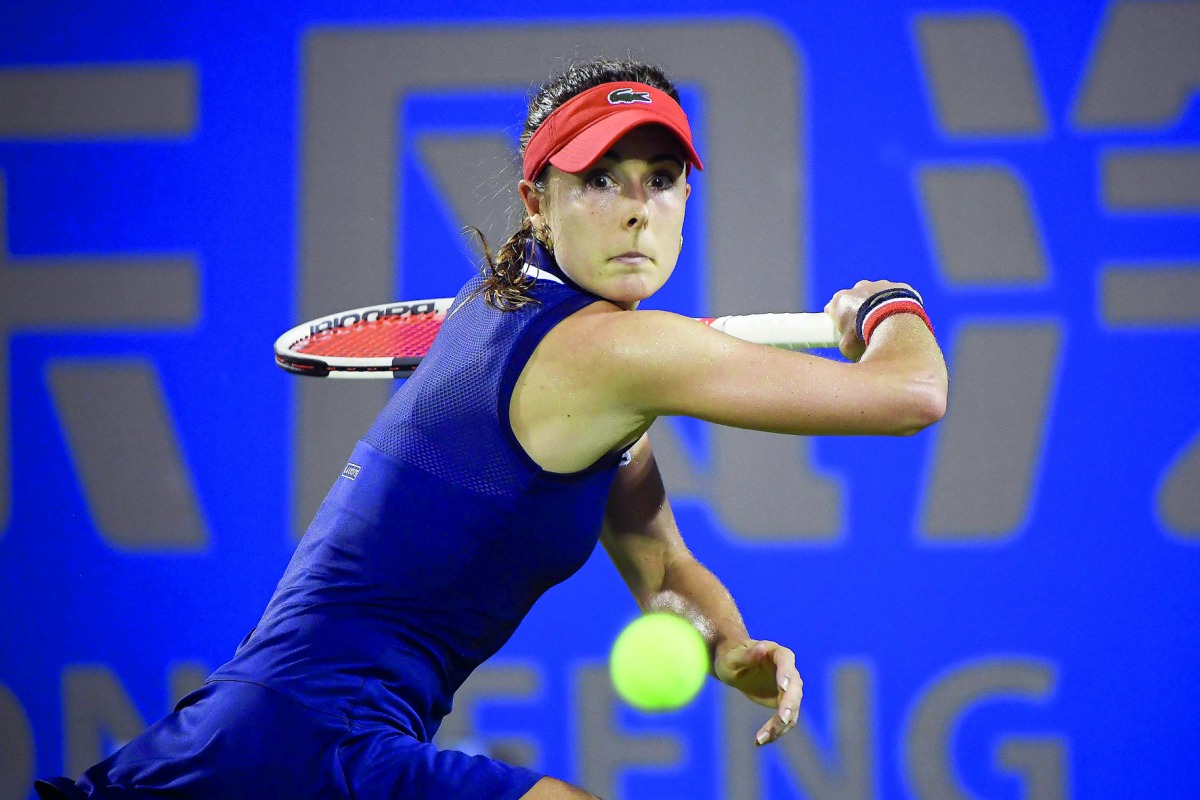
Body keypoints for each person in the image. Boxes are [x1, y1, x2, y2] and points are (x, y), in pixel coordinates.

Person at [36, 58, 947, 800]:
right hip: (301, 747)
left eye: (662, 181)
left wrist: (727, 646)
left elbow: (657, 558)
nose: (639, 208)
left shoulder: (530, 323)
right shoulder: (612, 353)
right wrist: (888, 308)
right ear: (536, 202)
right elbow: (910, 396)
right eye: (599, 179)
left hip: (266, 734)